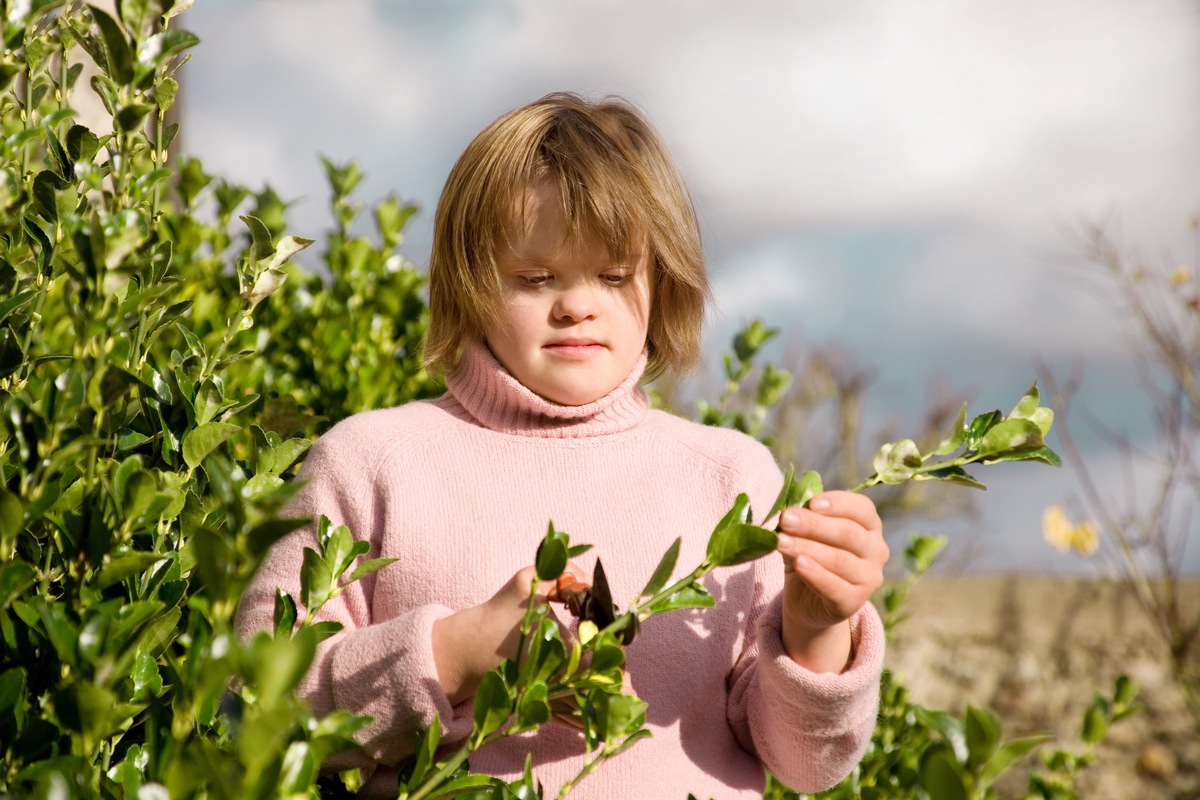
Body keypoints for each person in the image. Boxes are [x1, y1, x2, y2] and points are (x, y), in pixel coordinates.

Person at [235, 92, 888, 800]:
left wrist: (818, 630)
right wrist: (450, 656)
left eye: (613, 275)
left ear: (662, 280)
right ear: (469, 284)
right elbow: (257, 704)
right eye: (535, 277)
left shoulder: (731, 478)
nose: (577, 304)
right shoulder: (370, 464)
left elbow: (808, 764)